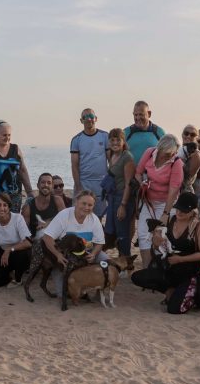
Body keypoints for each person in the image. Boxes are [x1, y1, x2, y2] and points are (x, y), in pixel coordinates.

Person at [131, 192, 200, 302]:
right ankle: (169, 290)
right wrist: (156, 243)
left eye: (183, 210)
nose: (179, 212)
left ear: (192, 212)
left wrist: (180, 259)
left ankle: (186, 291)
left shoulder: (199, 226)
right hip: (169, 265)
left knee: (174, 308)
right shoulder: (170, 220)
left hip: (188, 269)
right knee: (137, 277)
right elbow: (159, 247)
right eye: (177, 208)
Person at [135, 134, 184, 269]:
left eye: (172, 153)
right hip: (149, 200)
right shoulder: (150, 153)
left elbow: (173, 190)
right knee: (143, 233)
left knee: (161, 235)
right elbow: (138, 172)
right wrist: (142, 183)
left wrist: (166, 213)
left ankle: (160, 268)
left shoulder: (176, 163)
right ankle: (147, 268)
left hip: (166, 202)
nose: (169, 156)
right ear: (160, 148)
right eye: (167, 153)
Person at [41, 190, 107, 277]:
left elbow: (99, 242)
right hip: (66, 254)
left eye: (90, 205)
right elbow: (47, 237)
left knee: (104, 259)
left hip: (86, 252)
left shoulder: (94, 219)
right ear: (76, 202)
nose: (86, 207)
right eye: (83, 203)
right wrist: (58, 255)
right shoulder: (64, 215)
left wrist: (93, 254)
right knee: (62, 290)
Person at [0, 193, 33, 286]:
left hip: (20, 252)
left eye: (5, 205)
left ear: (9, 207)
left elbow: (28, 243)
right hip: (3, 253)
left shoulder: (17, 219)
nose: (2, 208)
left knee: (21, 256)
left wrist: (9, 250)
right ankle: (9, 275)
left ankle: (18, 279)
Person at [70, 108, 109, 216]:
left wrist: (110, 181)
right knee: (81, 214)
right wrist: (78, 186)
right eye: (85, 117)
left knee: (99, 216)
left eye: (91, 116)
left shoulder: (105, 136)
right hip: (84, 182)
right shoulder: (76, 139)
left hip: (101, 183)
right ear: (81, 120)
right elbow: (74, 165)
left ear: (96, 119)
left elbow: (111, 161)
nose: (88, 119)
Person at [103, 128, 135, 258]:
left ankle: (126, 261)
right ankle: (121, 259)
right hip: (112, 198)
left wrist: (123, 205)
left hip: (123, 198)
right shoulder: (111, 155)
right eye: (112, 140)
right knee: (113, 231)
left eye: (118, 140)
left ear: (123, 141)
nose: (115, 143)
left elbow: (129, 184)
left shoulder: (127, 157)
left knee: (122, 233)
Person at [21, 173, 67, 241]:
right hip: (37, 241)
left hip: (56, 237)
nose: (46, 185)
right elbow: (23, 231)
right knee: (42, 233)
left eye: (49, 183)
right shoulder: (28, 207)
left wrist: (48, 222)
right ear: (37, 185)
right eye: (43, 182)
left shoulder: (57, 200)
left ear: (52, 186)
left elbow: (66, 219)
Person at [125, 100, 165, 166]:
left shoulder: (159, 132)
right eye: (135, 115)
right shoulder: (126, 133)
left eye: (141, 114)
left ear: (149, 114)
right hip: (131, 175)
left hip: (152, 175)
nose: (138, 118)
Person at [176, 125, 200, 194]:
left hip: (184, 192)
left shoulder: (196, 154)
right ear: (182, 134)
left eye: (192, 135)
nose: (188, 136)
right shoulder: (178, 149)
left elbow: (187, 176)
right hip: (174, 189)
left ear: (197, 138)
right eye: (186, 133)